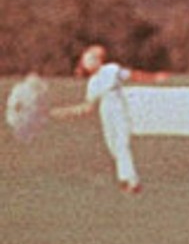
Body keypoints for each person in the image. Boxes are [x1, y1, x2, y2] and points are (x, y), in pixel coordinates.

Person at [53, 45, 161, 193]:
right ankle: (125, 178)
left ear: (99, 60)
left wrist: (153, 78)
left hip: (119, 110)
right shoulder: (93, 83)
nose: (88, 63)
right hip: (106, 113)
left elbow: (132, 75)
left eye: (91, 59)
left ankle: (132, 181)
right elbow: (88, 107)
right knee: (113, 146)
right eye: (86, 60)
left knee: (121, 144)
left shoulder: (111, 70)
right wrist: (64, 112)